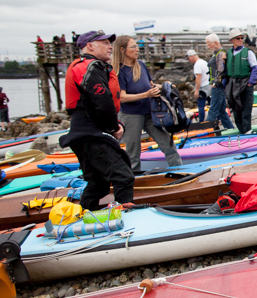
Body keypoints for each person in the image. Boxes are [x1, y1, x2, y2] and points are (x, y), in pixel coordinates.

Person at [59, 31, 134, 210]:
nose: (110, 47)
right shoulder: (89, 67)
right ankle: (126, 215)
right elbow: (102, 100)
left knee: (98, 183)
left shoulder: (92, 66)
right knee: (123, 176)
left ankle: (84, 213)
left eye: (110, 43)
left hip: (84, 133)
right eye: (105, 43)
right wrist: (113, 127)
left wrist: (114, 125)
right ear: (90, 46)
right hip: (89, 133)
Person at [111, 35, 182, 173]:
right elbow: (122, 98)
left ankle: (179, 170)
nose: (137, 49)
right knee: (133, 152)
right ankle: (134, 178)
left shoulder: (141, 65)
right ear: (122, 49)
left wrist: (164, 86)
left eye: (137, 46)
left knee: (167, 143)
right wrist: (146, 94)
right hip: (130, 116)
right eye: (133, 47)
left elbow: (150, 85)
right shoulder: (119, 71)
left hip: (150, 113)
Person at [225, 29, 257, 133]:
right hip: (233, 84)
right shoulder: (228, 54)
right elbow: (224, 70)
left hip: (245, 83)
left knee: (246, 109)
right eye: (238, 38)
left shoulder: (248, 52)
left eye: (241, 38)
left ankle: (247, 130)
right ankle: (241, 131)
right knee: (236, 109)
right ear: (232, 40)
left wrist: (250, 83)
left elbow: (255, 68)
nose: (240, 40)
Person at [204, 33, 235, 130]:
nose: (208, 47)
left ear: (215, 42)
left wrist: (215, 83)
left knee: (213, 109)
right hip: (219, 86)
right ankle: (231, 129)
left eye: (209, 44)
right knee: (221, 111)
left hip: (218, 86)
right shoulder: (217, 53)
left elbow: (221, 70)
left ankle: (207, 129)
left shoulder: (220, 53)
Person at [187, 50, 210, 122]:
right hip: (208, 85)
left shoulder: (197, 65)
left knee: (201, 105)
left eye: (188, 58)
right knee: (211, 104)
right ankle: (213, 120)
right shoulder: (204, 62)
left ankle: (201, 121)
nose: (189, 60)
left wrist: (196, 90)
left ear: (192, 56)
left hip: (202, 87)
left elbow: (198, 78)